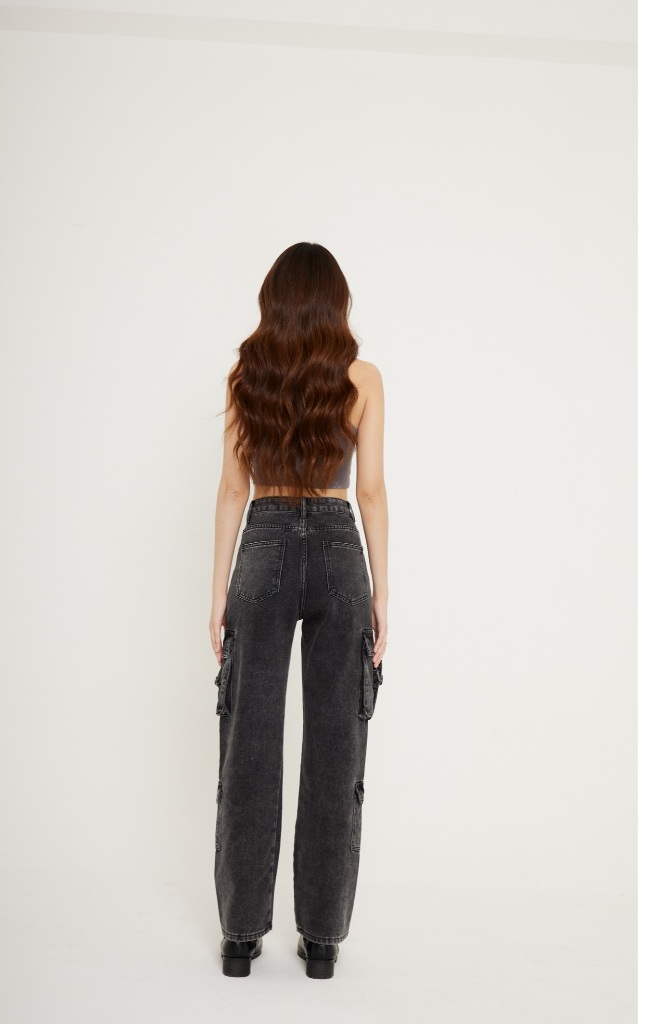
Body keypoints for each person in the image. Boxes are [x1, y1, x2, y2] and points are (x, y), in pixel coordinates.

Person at [208, 242, 388, 979]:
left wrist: (218, 594)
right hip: (341, 549)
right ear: (336, 302)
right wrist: (382, 593)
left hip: (264, 543)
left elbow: (232, 489)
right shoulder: (362, 377)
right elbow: (370, 489)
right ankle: (322, 940)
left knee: (248, 742)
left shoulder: (246, 373)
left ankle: (240, 936)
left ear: (272, 300)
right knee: (336, 745)